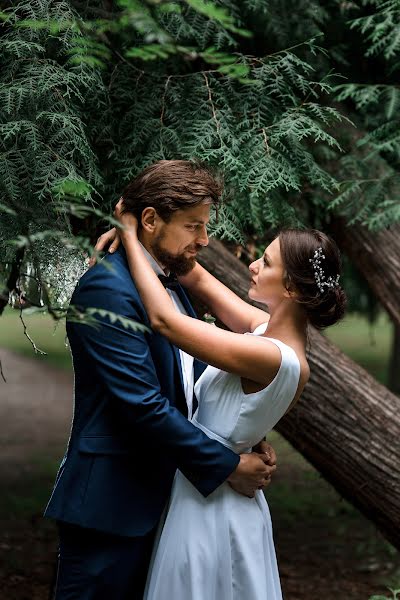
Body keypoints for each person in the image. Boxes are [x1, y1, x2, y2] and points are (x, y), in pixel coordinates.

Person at [44, 160, 277, 600]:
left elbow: (187, 383)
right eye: (193, 226)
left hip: (163, 501)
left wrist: (237, 438)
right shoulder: (107, 289)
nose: (204, 240)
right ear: (151, 220)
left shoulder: (166, 285)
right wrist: (228, 467)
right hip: (111, 506)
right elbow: (142, 405)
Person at [100, 199, 346, 600]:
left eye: (265, 262)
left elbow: (165, 321)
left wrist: (128, 233)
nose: (252, 265)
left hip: (211, 506)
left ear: (290, 288)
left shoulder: (269, 356)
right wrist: (150, 238)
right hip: (217, 486)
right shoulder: (267, 333)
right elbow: (196, 279)